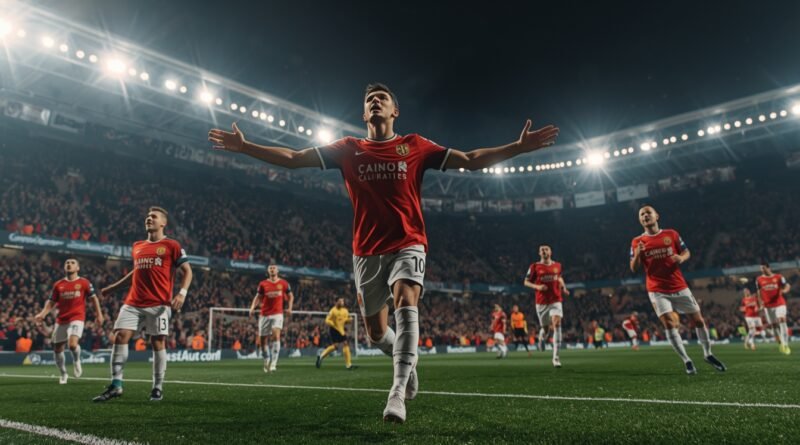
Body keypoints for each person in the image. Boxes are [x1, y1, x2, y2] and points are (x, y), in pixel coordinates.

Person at [209, 82, 559, 422]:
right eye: (370, 100)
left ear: (395, 110)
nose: (376, 102)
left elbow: (470, 159)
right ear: (364, 114)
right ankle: (406, 362)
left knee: (407, 301)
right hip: (366, 251)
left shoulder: (414, 146)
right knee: (376, 333)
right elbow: (293, 158)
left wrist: (517, 147)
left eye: (382, 98)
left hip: (409, 242)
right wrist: (246, 147)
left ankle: (396, 390)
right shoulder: (348, 148)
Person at [93, 207, 193, 402]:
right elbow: (136, 272)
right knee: (120, 336)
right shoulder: (137, 245)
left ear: (163, 223)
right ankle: (116, 385)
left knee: (157, 342)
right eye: (148, 216)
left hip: (159, 303)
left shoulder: (172, 245)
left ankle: (157, 387)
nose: (149, 219)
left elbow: (188, 271)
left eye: (153, 217)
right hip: (133, 302)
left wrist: (182, 293)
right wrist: (113, 288)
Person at [629, 205, 725, 375]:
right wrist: (638, 254)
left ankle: (708, 354)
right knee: (669, 324)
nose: (645, 216)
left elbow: (687, 252)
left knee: (699, 321)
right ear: (639, 220)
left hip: (679, 286)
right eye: (642, 214)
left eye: (648, 213)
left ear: (656, 216)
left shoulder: (671, 234)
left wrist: (681, 257)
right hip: (656, 289)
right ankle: (686, 360)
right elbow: (633, 268)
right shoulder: (637, 241)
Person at [35, 258, 104, 384]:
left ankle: (77, 360)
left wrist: (99, 314)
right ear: (64, 267)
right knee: (57, 348)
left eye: (72, 263)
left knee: (72, 345)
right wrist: (42, 314)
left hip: (77, 317)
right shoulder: (58, 284)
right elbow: (51, 302)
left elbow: (94, 299)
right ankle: (63, 373)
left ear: (77, 268)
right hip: (61, 319)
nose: (69, 264)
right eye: (67, 262)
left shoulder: (84, 282)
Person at [524, 245, 569, 368]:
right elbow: (526, 281)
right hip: (541, 302)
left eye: (546, 249)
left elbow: (559, 277)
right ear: (539, 253)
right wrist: (537, 287)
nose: (544, 251)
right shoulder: (534, 266)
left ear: (551, 252)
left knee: (557, 323)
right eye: (542, 249)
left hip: (556, 300)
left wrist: (564, 287)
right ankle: (542, 337)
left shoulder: (557, 266)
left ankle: (556, 358)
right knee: (546, 329)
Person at [249, 265, 294, 372]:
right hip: (264, 314)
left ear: (277, 270)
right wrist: (252, 307)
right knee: (263, 341)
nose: (272, 269)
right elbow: (258, 297)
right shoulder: (263, 284)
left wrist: (290, 308)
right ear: (268, 271)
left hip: (277, 314)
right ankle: (266, 359)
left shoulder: (284, 283)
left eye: (274, 268)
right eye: (270, 268)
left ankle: (274, 363)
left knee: (276, 336)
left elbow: (291, 296)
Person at [756, 263, 791, 355]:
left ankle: (785, 344)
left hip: (780, 303)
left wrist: (784, 290)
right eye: (761, 269)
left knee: (782, 319)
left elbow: (787, 285)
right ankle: (780, 343)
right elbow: (759, 293)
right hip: (768, 306)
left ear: (768, 268)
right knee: (774, 326)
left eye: (763, 268)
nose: (762, 270)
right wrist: (760, 304)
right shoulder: (759, 279)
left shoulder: (779, 277)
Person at [316, 297, 354, 369]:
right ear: (336, 302)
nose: (342, 302)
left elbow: (347, 319)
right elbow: (327, 320)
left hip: (341, 330)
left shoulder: (345, 311)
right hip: (334, 330)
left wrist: (349, 320)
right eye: (340, 301)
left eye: (342, 301)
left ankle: (321, 356)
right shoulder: (333, 311)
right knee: (343, 344)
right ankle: (348, 365)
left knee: (339, 345)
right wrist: (333, 324)